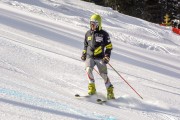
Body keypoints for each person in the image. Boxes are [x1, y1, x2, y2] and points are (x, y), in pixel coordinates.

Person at [81, 14, 115, 100]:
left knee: (104, 75)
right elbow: (85, 45)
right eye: (91, 23)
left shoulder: (104, 34)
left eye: (94, 24)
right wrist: (84, 54)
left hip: (100, 58)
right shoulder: (87, 33)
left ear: (98, 24)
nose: (92, 25)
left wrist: (107, 56)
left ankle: (110, 91)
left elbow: (109, 46)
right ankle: (92, 88)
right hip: (90, 57)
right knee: (88, 69)